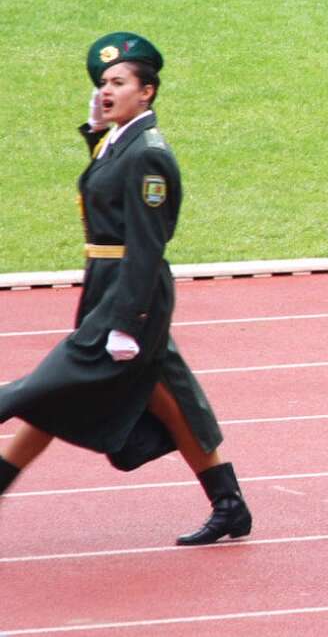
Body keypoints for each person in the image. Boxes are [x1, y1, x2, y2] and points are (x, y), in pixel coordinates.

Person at [0, 34, 250, 546]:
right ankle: (230, 506)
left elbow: (146, 245)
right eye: (103, 83)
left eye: (119, 82)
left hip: (129, 296)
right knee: (171, 400)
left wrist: (124, 322)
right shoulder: (120, 143)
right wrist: (96, 137)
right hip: (107, 287)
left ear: (148, 92)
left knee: (46, 387)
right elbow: (107, 192)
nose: (106, 90)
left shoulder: (148, 156)